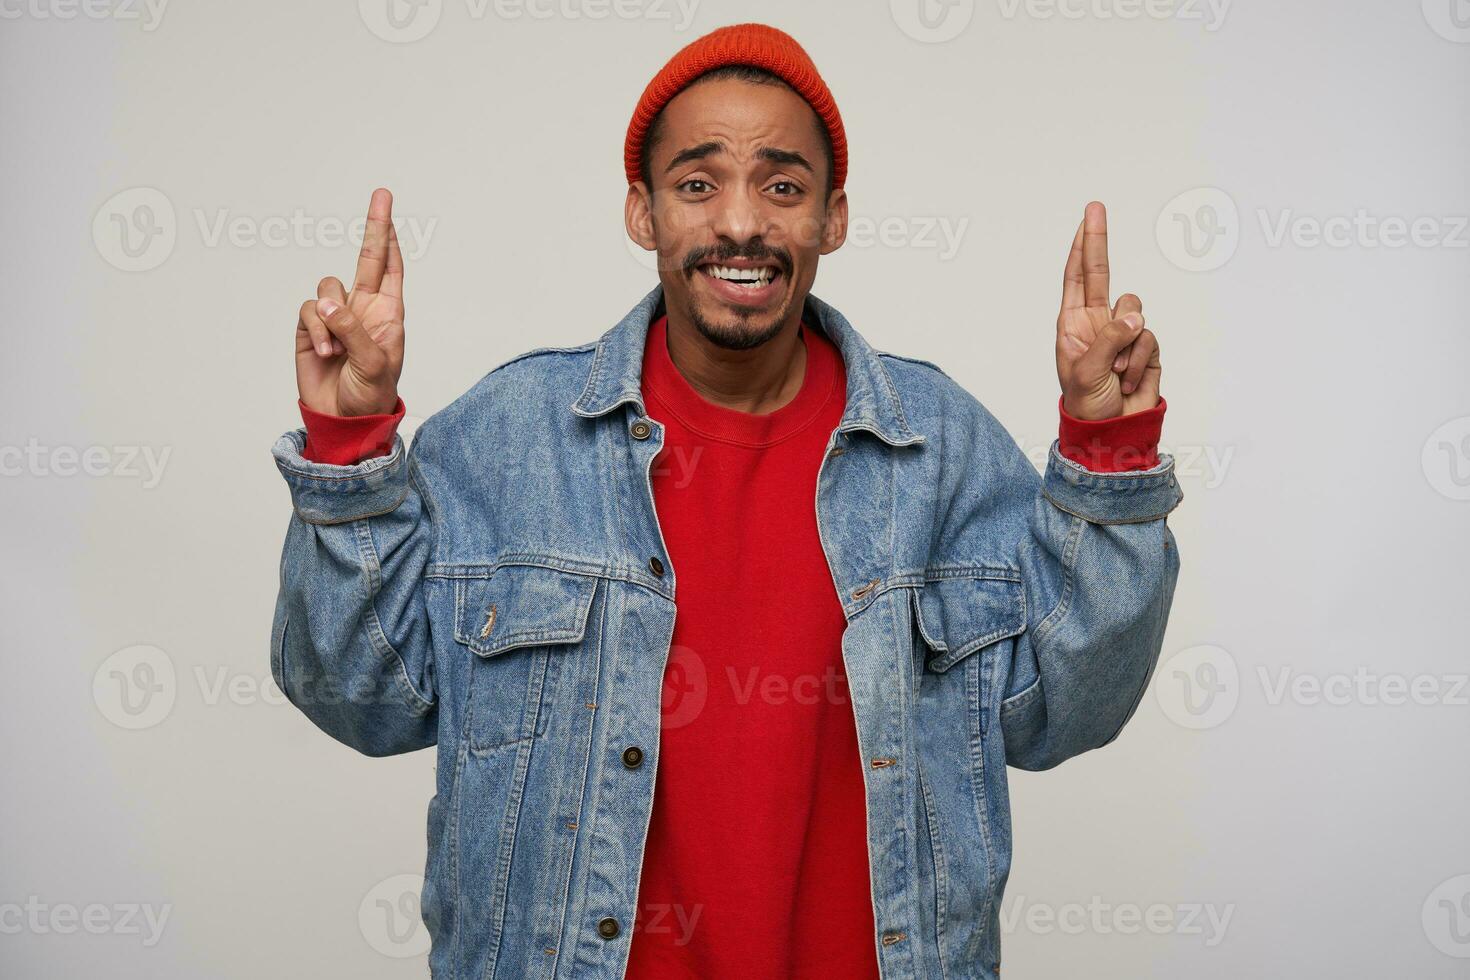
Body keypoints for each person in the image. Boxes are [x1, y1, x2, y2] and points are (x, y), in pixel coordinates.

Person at [270, 22, 1181, 980]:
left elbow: (1061, 712)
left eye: (782, 186)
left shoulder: (940, 446)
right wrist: (350, 448)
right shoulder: (506, 437)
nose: (741, 224)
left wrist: (1107, 455)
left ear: (832, 218)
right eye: (697, 184)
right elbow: (368, 701)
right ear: (643, 212)